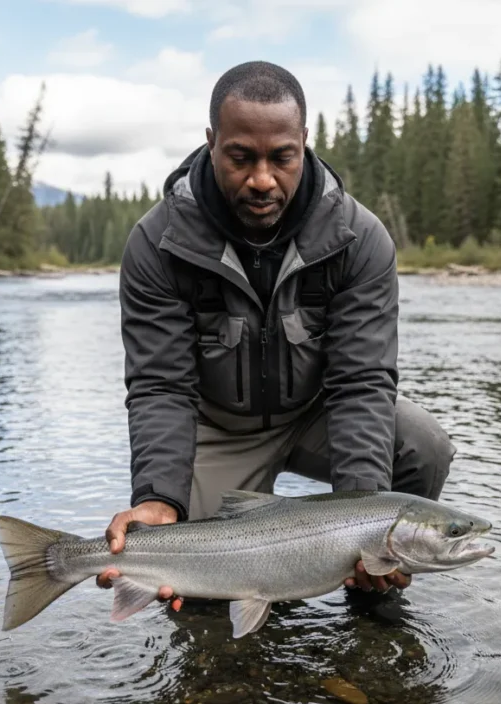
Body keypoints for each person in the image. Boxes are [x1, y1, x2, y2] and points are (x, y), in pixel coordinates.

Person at [97, 61, 456, 611]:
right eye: (241, 157)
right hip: (218, 428)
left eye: (281, 158)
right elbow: (160, 387)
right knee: (193, 594)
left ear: (305, 144)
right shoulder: (157, 243)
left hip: (318, 414)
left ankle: (370, 605)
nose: (262, 178)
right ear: (212, 143)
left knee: (421, 446)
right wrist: (157, 498)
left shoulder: (359, 239)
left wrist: (362, 523)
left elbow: (361, 383)